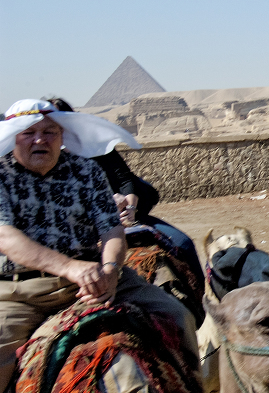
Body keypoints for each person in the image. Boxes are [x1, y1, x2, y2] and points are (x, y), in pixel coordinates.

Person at [0, 99, 201, 393]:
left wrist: (109, 271)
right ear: (13, 138)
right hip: (24, 288)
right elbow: (8, 239)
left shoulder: (85, 170)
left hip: (97, 274)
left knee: (177, 316)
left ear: (62, 136)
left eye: (49, 132)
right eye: (29, 133)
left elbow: (111, 230)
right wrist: (72, 269)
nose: (40, 139)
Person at [46, 98, 203, 292]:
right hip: (82, 229)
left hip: (123, 216)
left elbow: (125, 180)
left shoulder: (96, 146)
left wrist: (129, 209)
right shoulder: (43, 159)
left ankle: (202, 303)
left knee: (182, 244)